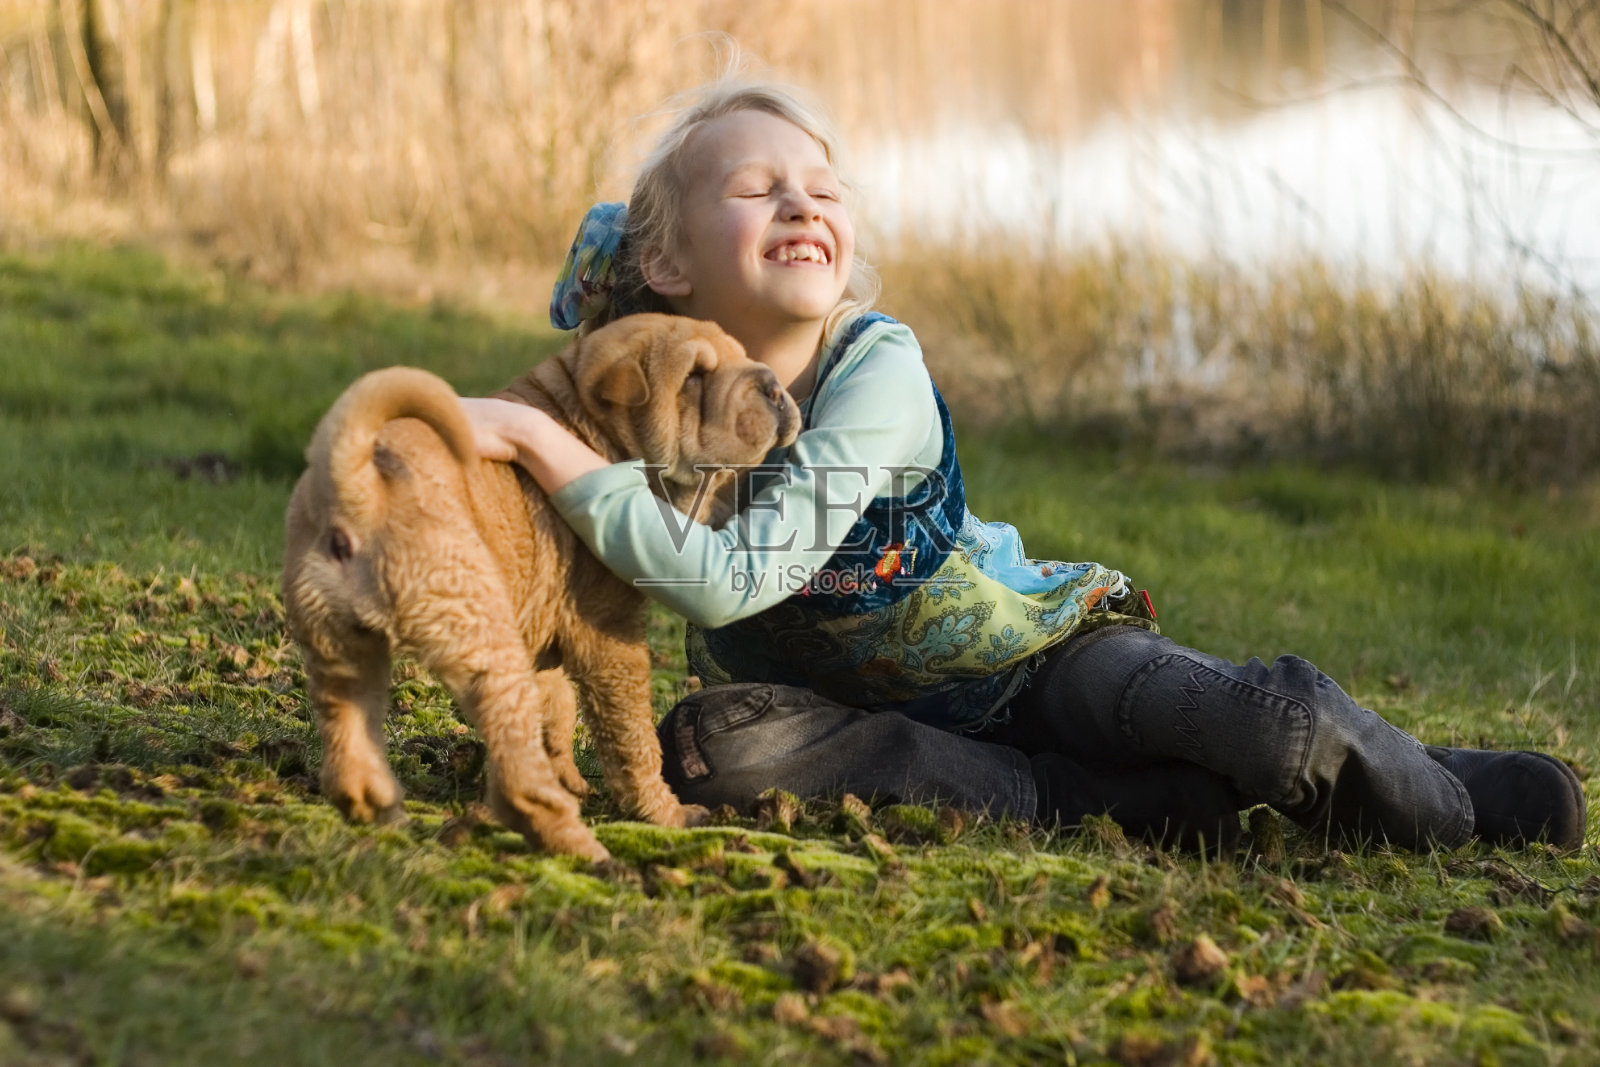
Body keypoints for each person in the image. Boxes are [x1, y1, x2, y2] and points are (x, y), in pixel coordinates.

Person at [463, 79, 1587, 854]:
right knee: (713, 750)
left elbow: (721, 580)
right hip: (865, 714)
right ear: (663, 258)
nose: (802, 199)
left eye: (822, 183)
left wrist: (535, 439)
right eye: (755, 188)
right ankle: (1106, 802)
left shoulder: (876, 368)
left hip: (1035, 657)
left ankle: (1443, 795)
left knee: (1265, 730)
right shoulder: (651, 408)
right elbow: (556, 567)